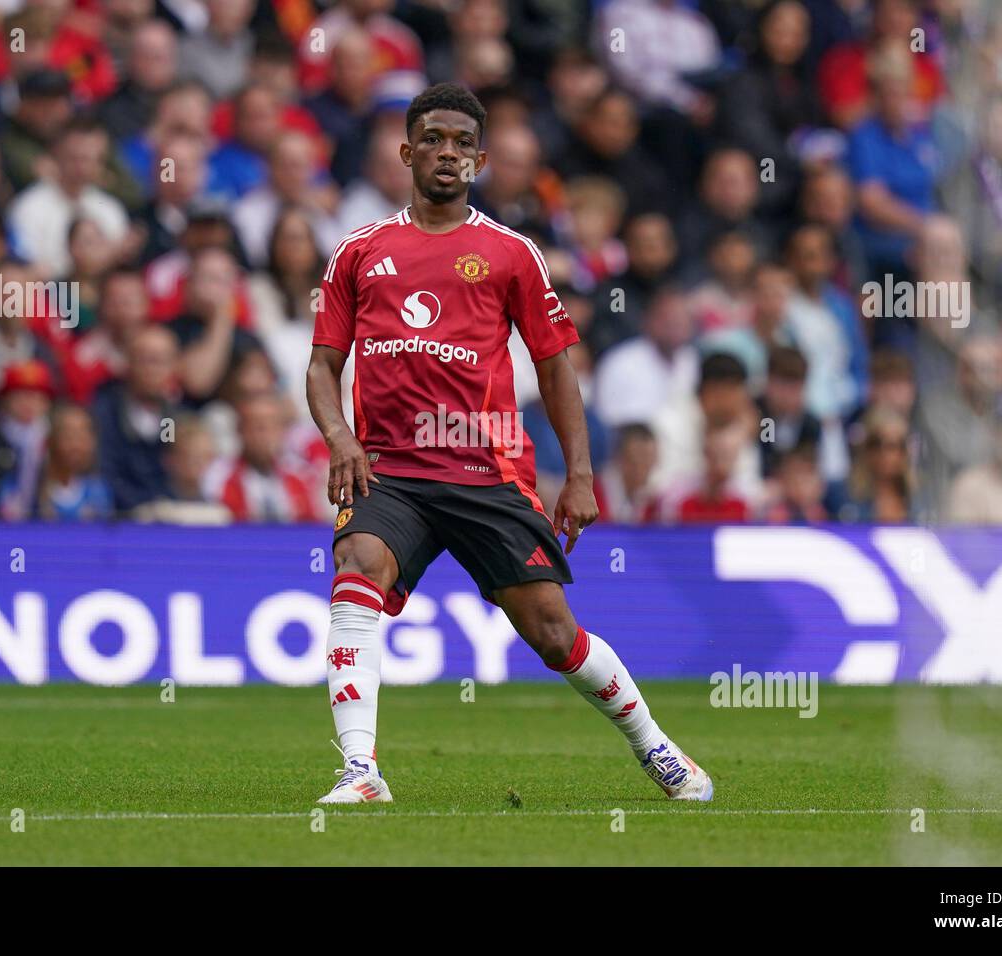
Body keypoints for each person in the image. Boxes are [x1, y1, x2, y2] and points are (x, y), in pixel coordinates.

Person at [305, 83, 712, 804]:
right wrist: (339, 436)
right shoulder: (359, 254)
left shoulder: (511, 254)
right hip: (391, 473)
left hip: (485, 471)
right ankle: (361, 771)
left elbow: (556, 368)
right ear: (406, 151)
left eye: (463, 143)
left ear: (481, 159)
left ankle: (655, 745)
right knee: (356, 562)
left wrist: (580, 475)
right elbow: (322, 365)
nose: (448, 153)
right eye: (432, 139)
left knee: (554, 634)